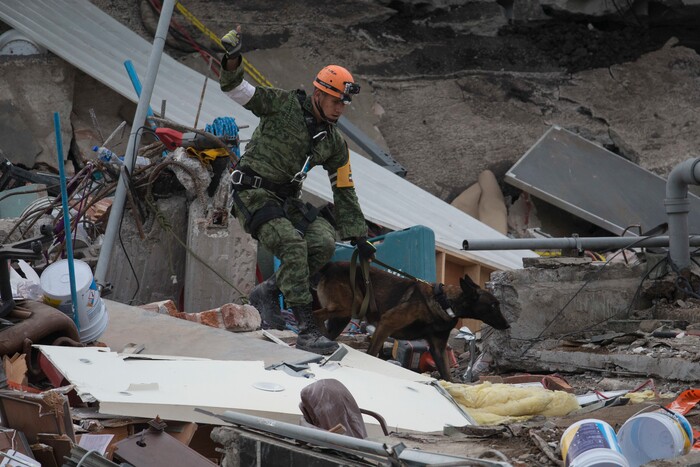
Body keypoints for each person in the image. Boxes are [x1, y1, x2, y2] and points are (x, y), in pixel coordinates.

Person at [218, 27, 376, 355]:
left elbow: (344, 188)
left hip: (286, 201)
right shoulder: (281, 104)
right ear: (319, 94)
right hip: (252, 194)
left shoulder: (334, 143)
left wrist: (359, 235)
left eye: (343, 105)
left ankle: (267, 293)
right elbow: (237, 89)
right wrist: (233, 59)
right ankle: (306, 331)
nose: (339, 109)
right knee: (292, 244)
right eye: (335, 101)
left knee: (322, 241)